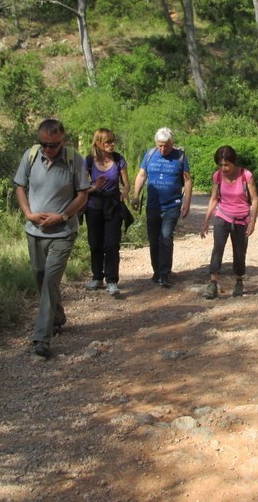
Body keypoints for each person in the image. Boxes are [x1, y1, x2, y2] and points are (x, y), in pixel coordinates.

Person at [13, 119, 91, 358]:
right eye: (44, 144)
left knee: (50, 281)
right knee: (40, 277)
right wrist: (27, 214)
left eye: (53, 145)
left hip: (63, 233)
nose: (48, 149)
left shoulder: (73, 160)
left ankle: (41, 338)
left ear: (62, 141)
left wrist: (63, 216)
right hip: (34, 231)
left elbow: (83, 195)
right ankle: (56, 317)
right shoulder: (31, 156)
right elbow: (20, 187)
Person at [131, 127, 192, 288]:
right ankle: (156, 271)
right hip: (153, 206)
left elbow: (187, 180)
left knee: (165, 237)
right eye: (160, 145)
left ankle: (165, 273)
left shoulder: (180, 156)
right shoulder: (150, 154)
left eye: (166, 145)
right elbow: (142, 174)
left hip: (172, 205)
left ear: (172, 143)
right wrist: (135, 195)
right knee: (153, 239)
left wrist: (186, 203)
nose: (163, 149)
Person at [200, 146, 258, 298]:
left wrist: (252, 221)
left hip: (241, 219)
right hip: (222, 216)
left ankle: (239, 281)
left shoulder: (246, 175)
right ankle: (213, 283)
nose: (223, 168)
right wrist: (206, 220)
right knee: (217, 248)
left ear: (234, 162)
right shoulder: (218, 176)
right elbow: (214, 199)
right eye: (220, 165)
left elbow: (255, 199)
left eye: (226, 165)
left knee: (239, 252)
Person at [84, 128, 130, 296]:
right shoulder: (88, 161)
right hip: (93, 205)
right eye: (108, 142)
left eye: (113, 141)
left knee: (112, 243)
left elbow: (126, 183)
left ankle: (111, 280)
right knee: (95, 243)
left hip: (113, 205)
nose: (112, 145)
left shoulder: (119, 160)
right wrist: (94, 186)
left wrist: (124, 193)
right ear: (98, 143)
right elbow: (81, 188)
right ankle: (97, 277)